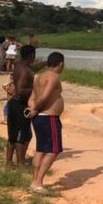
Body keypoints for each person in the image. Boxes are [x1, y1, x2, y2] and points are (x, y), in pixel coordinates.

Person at [27, 52, 66, 193]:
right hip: (49, 118)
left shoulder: (39, 77)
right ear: (61, 63)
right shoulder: (53, 77)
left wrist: (32, 108)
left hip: (40, 118)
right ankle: (38, 183)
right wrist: (36, 108)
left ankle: (34, 181)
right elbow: (43, 97)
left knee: (41, 150)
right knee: (53, 150)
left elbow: (32, 97)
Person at [5, 45, 37, 168]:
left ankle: (8, 162)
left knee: (12, 135)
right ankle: (20, 163)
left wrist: (47, 63)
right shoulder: (24, 70)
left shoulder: (20, 65)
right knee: (20, 135)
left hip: (14, 103)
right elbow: (20, 90)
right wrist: (35, 90)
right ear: (32, 56)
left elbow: (34, 67)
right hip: (20, 104)